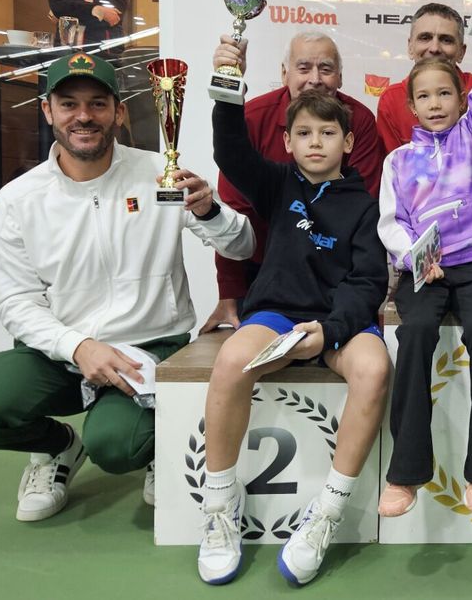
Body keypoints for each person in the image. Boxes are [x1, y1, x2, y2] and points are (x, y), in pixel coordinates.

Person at [0, 52, 254, 523]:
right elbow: (16, 303)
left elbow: (241, 247)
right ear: (47, 110)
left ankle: (153, 447)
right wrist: (78, 346)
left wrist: (211, 211)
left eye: (97, 103)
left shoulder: (159, 173)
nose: (84, 116)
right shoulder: (17, 200)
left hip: (147, 349)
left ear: (120, 111)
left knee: (114, 446)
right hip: (60, 354)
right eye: (68, 104)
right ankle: (57, 449)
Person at [197, 88, 389, 586]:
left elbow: (368, 282)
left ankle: (326, 513)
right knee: (231, 361)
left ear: (348, 141)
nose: (315, 143)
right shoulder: (275, 183)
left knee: (374, 369)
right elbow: (231, 151)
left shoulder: (365, 205)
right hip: (278, 314)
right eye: (303, 133)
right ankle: (219, 505)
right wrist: (226, 87)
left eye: (328, 134)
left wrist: (329, 330)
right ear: (286, 141)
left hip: (338, 322)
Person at [376, 0, 472, 518]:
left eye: (445, 94)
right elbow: (392, 222)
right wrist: (414, 259)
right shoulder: (398, 160)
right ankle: (406, 474)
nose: (435, 104)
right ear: (411, 107)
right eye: (424, 97)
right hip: (424, 269)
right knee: (414, 337)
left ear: (462, 98)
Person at [201, 31, 386, 333]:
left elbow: (362, 205)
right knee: (237, 357)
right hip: (269, 279)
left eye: (325, 68)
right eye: (303, 68)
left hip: (339, 278)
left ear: (340, 76)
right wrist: (229, 291)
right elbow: (234, 214)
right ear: (284, 73)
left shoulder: (360, 119)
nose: (315, 78)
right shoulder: (253, 118)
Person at [375, 0, 472, 278]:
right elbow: (399, 193)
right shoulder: (391, 100)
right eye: (424, 38)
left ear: (461, 50)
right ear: (410, 46)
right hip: (426, 251)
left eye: (445, 39)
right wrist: (412, 255)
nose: (434, 47)